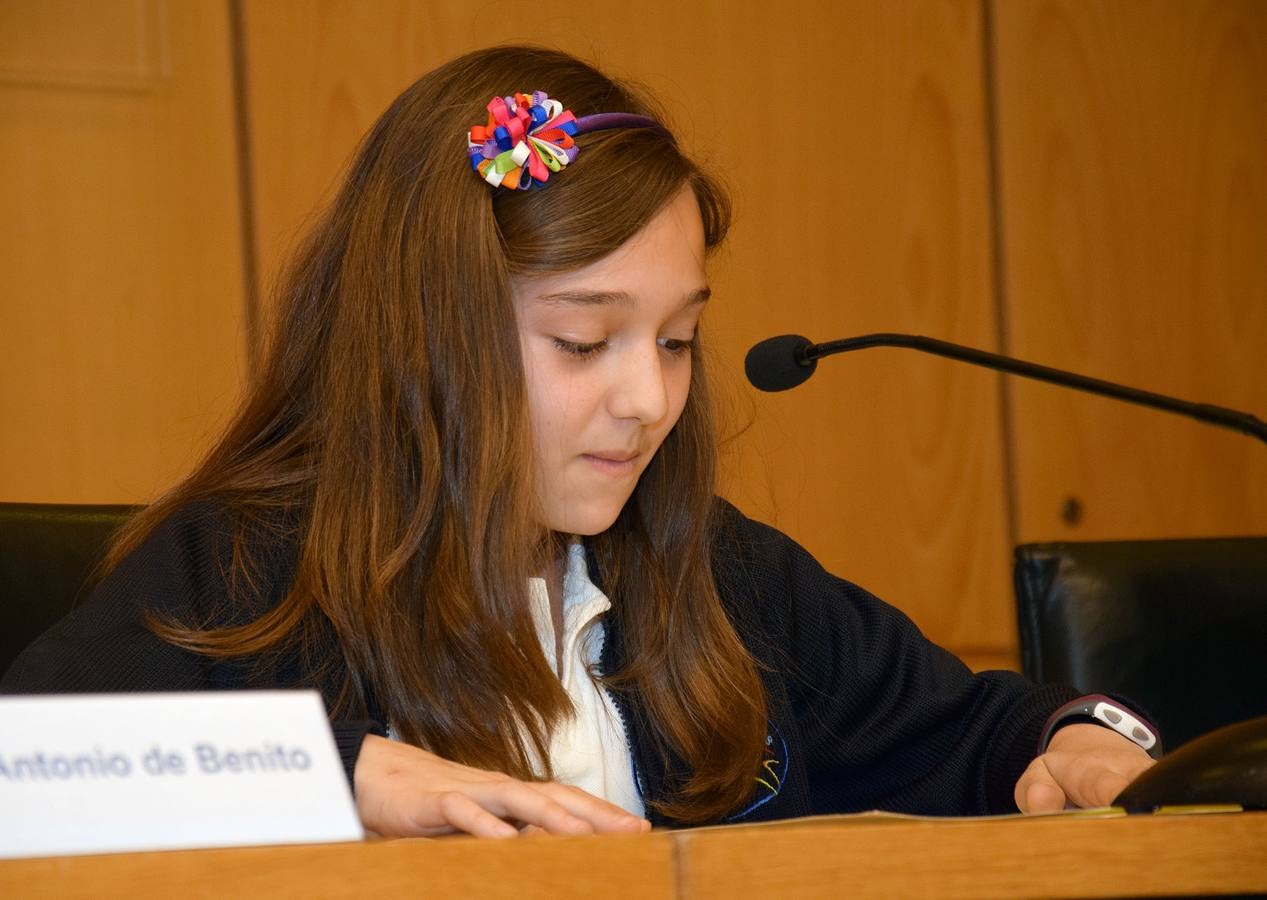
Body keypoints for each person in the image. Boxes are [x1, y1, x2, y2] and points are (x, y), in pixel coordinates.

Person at [1, 45, 1155, 838]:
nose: (648, 400)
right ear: (424, 337)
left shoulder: (720, 574)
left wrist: (1081, 739)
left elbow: (981, 730)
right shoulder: (245, 564)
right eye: (582, 340)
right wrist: (329, 776)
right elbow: (28, 776)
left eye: (676, 340)